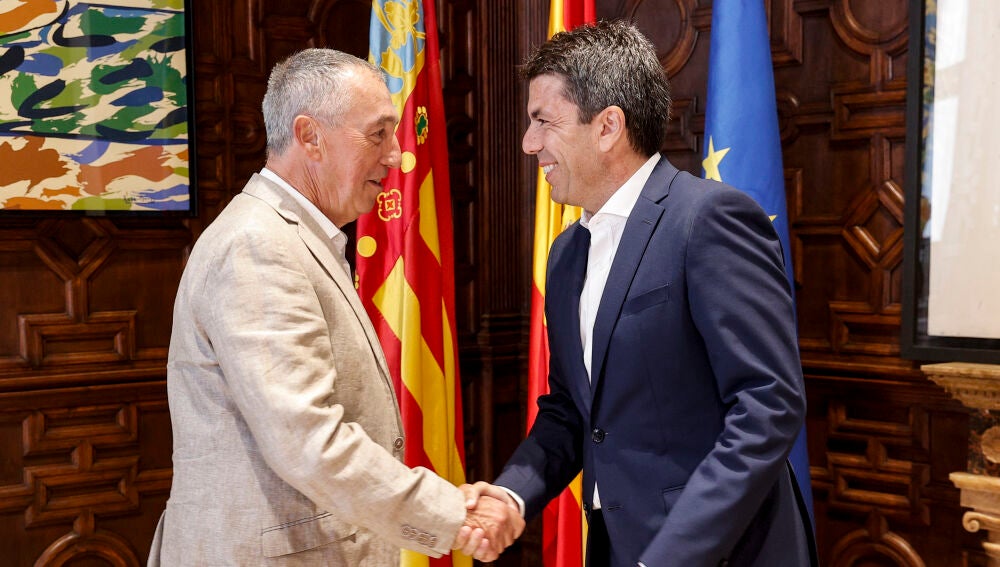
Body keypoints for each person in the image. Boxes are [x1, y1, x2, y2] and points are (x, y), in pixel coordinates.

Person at [148, 48, 522, 565]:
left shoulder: (294, 237)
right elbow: (305, 438)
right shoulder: (258, 245)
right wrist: (452, 514)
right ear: (310, 137)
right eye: (377, 134)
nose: (396, 156)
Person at [467, 20, 817, 566]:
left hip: (722, 553)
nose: (528, 143)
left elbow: (767, 405)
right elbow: (571, 410)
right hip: (616, 546)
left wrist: (670, 556)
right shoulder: (566, 254)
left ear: (608, 127)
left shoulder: (709, 220)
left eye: (543, 121)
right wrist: (512, 495)